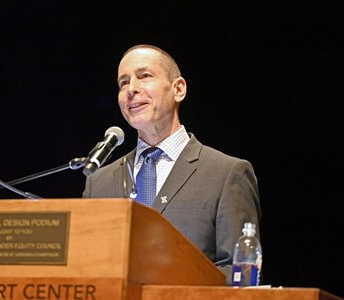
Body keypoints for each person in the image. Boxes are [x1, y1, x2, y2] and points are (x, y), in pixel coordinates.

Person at [82, 44, 261, 284]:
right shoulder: (98, 182)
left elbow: (239, 275)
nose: (131, 89)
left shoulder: (227, 174)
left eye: (144, 76)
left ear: (178, 89)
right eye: (123, 83)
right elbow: (83, 269)